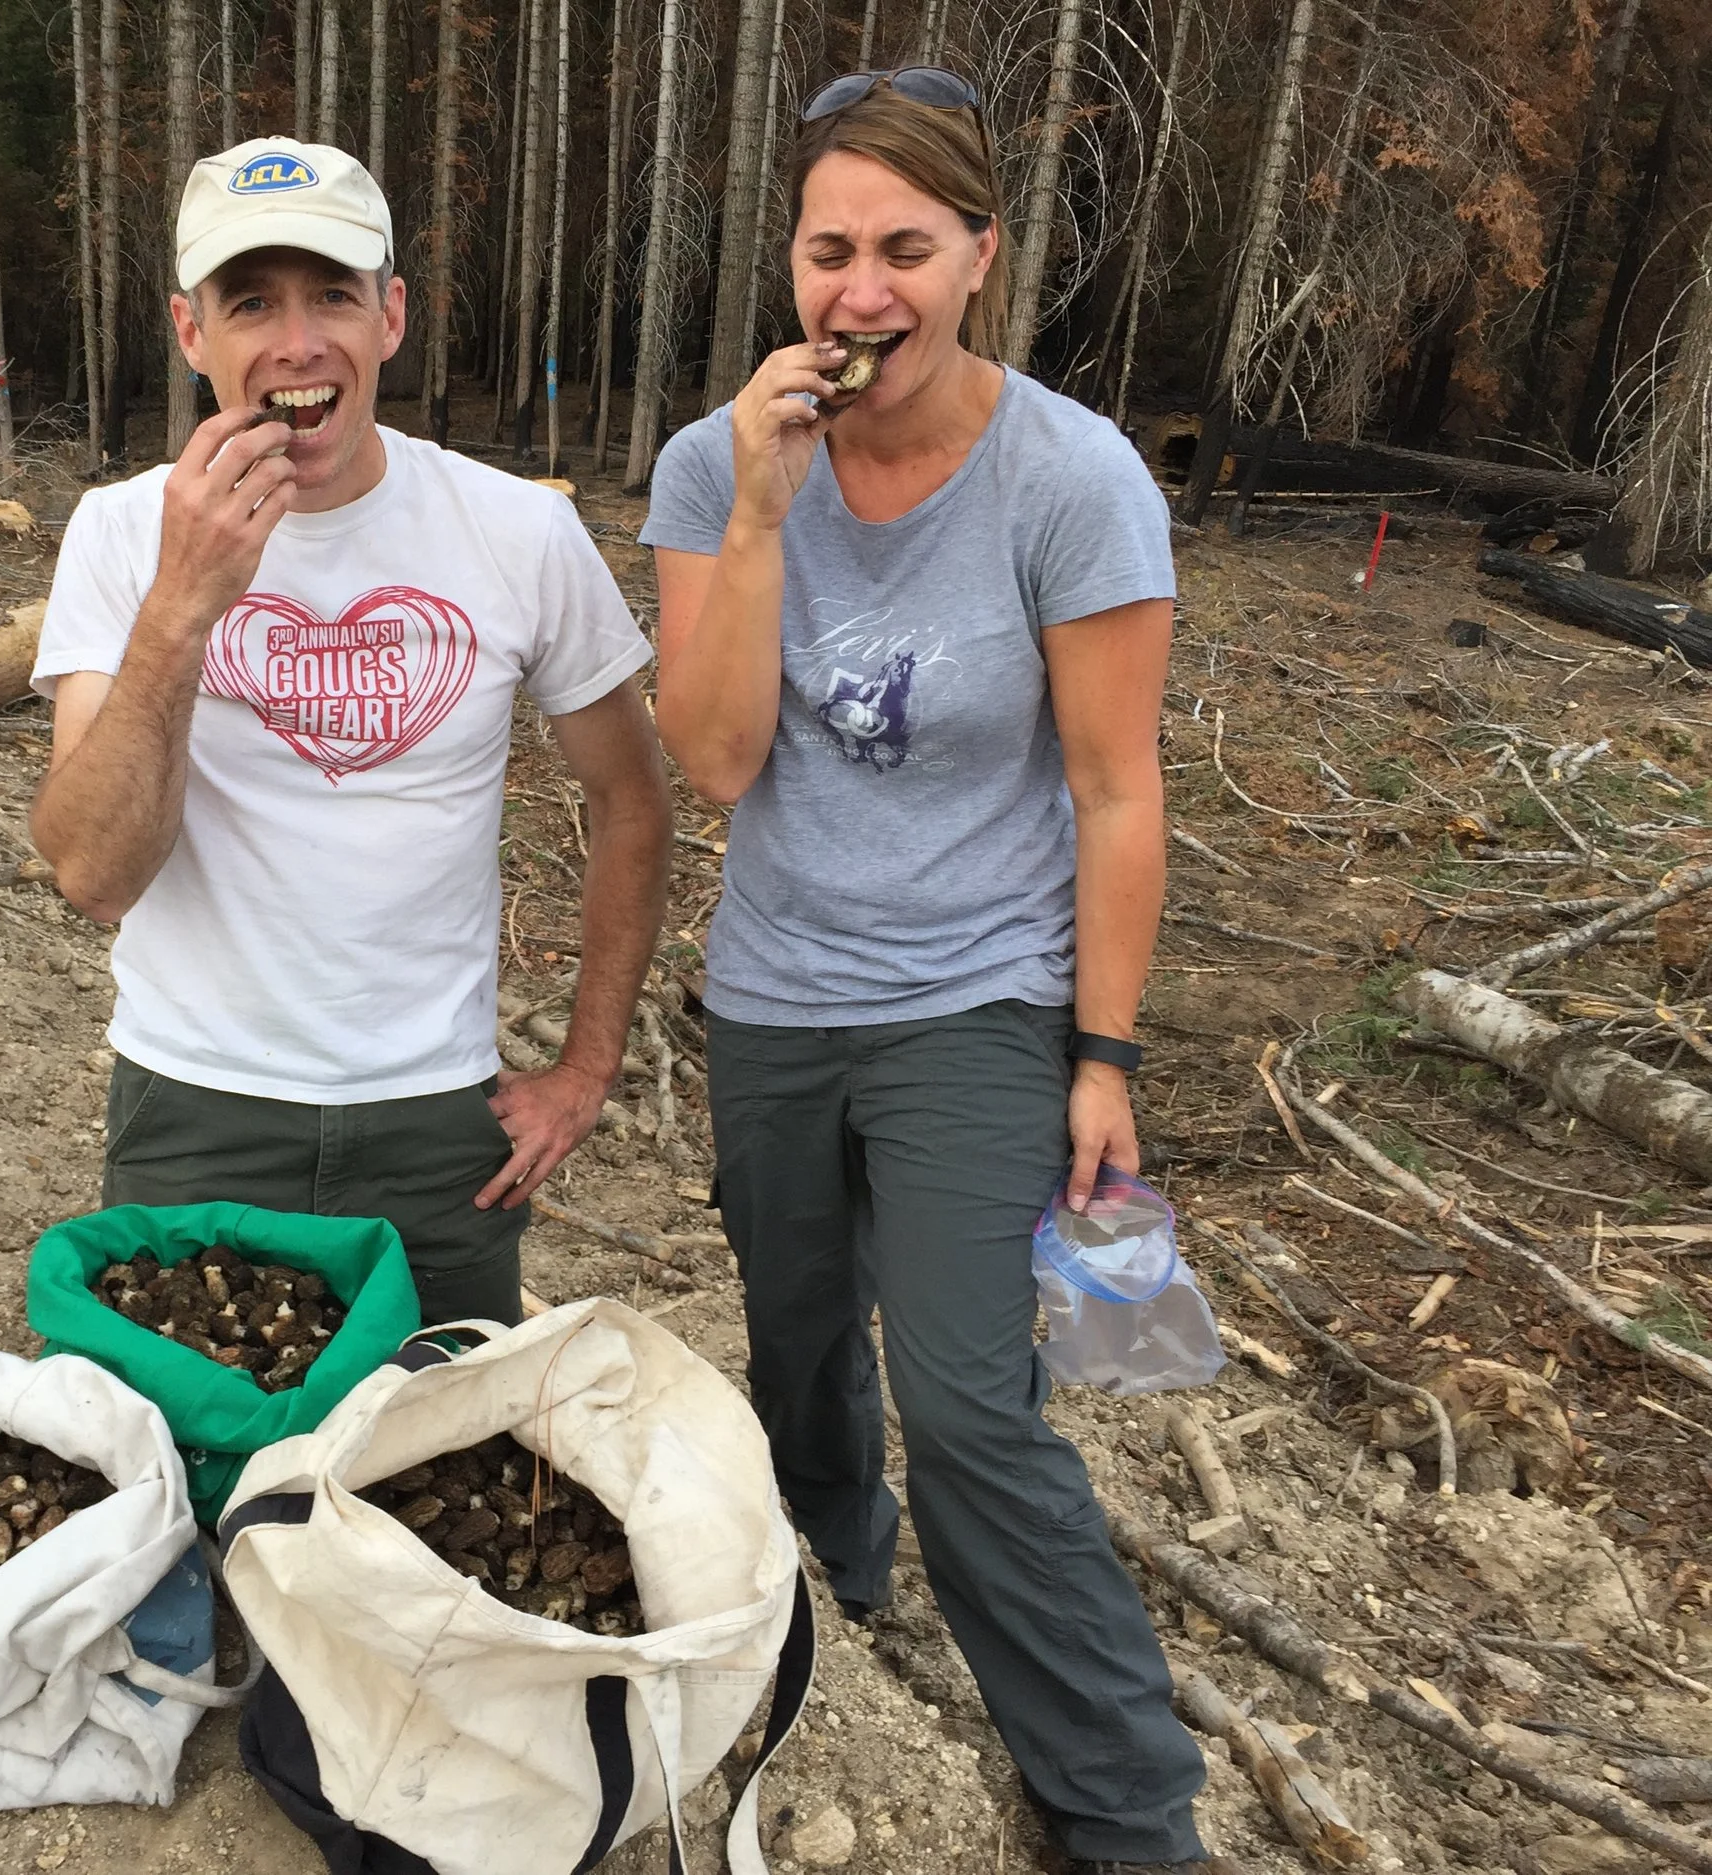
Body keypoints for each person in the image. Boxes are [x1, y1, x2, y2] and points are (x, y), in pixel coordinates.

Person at [640, 68, 1210, 1874]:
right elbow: (717, 762)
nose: (861, 293)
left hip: (981, 989)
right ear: (790, 265)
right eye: (830, 251)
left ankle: (1126, 1804)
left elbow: (1119, 790)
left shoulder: (1073, 479)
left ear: (981, 256)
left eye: (905, 249)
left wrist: (1102, 1054)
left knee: (968, 1397)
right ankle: (842, 1608)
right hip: (782, 988)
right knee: (799, 1347)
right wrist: (752, 513)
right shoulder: (709, 463)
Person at [28, 138, 670, 1328]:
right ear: (189, 334)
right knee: (193, 1477)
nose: (297, 340)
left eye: (333, 293)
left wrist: (585, 1072)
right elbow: (92, 872)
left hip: (436, 1128)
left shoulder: (515, 533)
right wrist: (182, 606)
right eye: (250, 302)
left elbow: (632, 797)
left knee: (432, 1485)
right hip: (193, 1105)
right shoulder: (123, 536)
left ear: (392, 318)